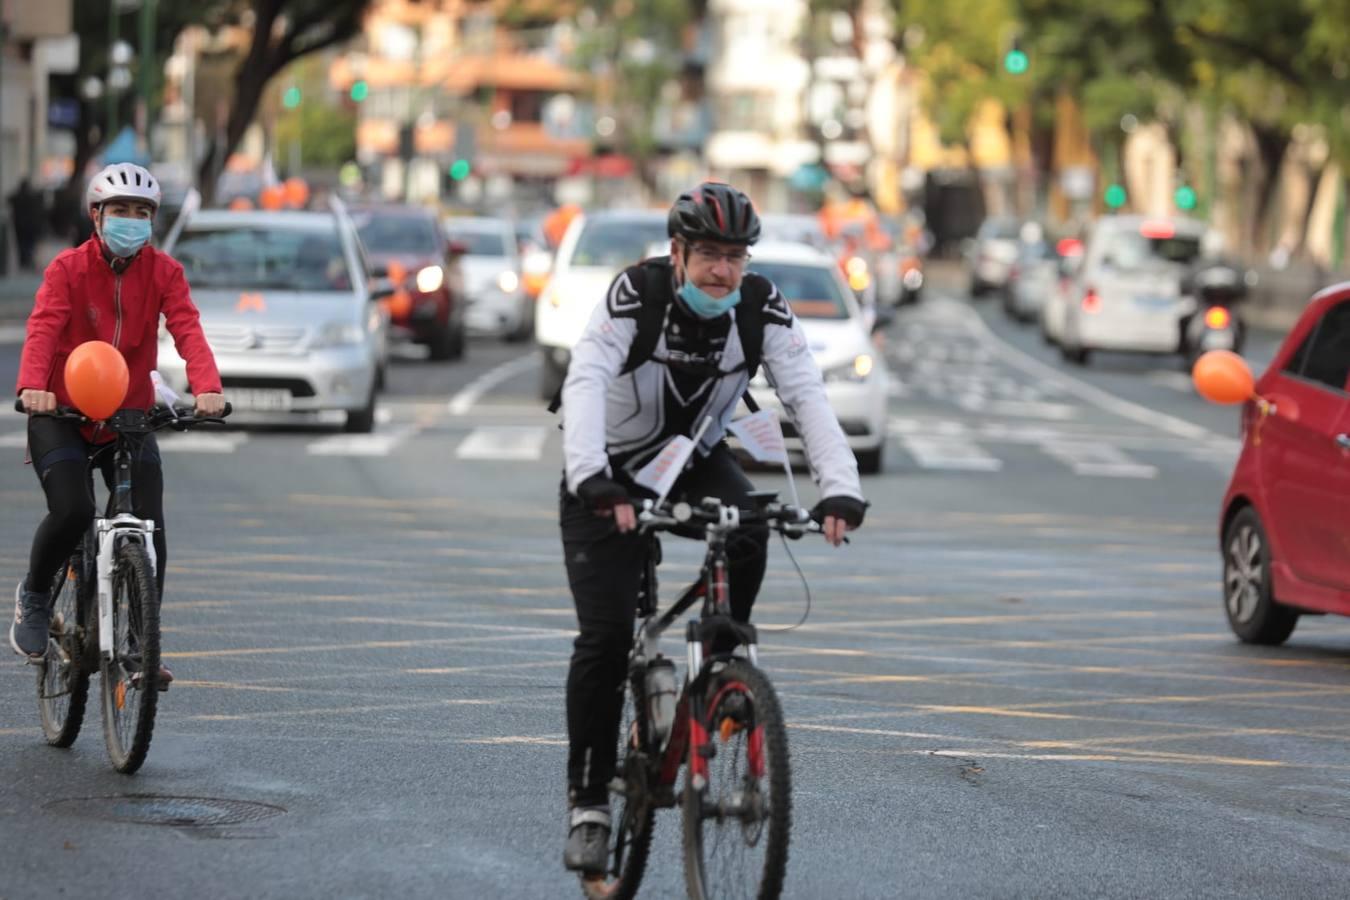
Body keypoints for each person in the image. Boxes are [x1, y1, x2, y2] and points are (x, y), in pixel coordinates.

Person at [557, 181, 868, 874]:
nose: (722, 270)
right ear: (678, 252)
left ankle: (723, 674)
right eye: (708, 255)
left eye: (734, 256)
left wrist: (840, 489)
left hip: (691, 462)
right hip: (606, 472)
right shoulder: (636, 296)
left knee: (753, 524)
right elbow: (584, 379)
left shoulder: (759, 309)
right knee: (606, 642)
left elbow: (806, 396)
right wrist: (591, 478)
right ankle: (589, 805)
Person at [10, 163, 225, 679]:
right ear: (97, 216)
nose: (132, 220)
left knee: (150, 525)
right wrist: (31, 388)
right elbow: (42, 328)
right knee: (72, 510)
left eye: (142, 212)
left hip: (127, 414)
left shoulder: (165, 272)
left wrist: (209, 387)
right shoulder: (67, 269)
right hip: (60, 410)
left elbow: (188, 329)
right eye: (121, 211)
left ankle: (139, 645)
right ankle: (35, 598)